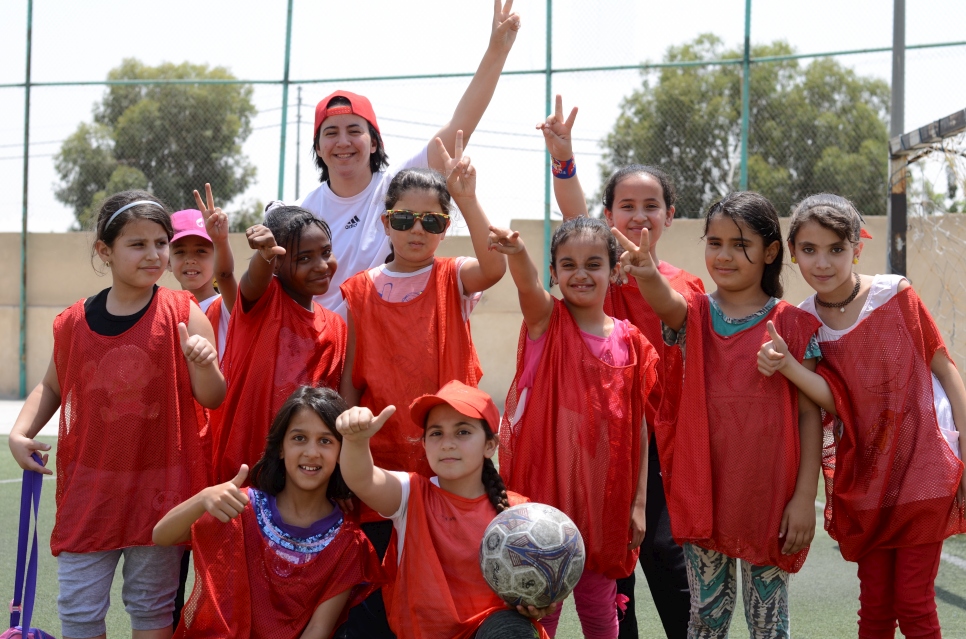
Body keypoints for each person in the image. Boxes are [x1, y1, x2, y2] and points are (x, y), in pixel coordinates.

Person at [7, 190, 225, 639]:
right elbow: (51, 385)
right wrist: (19, 432)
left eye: (161, 242)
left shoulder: (183, 312)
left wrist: (204, 363)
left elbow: (213, 398)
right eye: (137, 243)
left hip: (161, 489)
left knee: (151, 607)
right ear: (104, 251)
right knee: (79, 611)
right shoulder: (72, 322)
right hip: (90, 490)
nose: (155, 254)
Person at [614, 191, 823, 639]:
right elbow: (665, 303)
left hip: (768, 499)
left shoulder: (791, 324)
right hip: (704, 493)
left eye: (739, 244)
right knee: (705, 620)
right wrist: (647, 272)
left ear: (770, 252)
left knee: (768, 624)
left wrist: (805, 496)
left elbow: (811, 416)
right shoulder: (694, 313)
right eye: (714, 242)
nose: (724, 255)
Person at [757, 193, 966, 639]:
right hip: (866, 477)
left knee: (912, 604)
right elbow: (833, 401)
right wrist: (787, 366)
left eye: (836, 248)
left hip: (923, 468)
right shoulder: (803, 319)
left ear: (857, 247)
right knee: (873, 609)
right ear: (793, 252)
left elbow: (947, 371)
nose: (823, 262)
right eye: (809, 250)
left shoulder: (896, 294)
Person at [538, 94, 700, 639]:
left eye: (651, 205)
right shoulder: (602, 273)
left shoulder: (686, 286)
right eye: (626, 206)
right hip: (608, 444)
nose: (639, 214)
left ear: (670, 215)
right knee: (612, 576)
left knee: (666, 555)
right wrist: (563, 156)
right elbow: (573, 215)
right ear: (610, 217)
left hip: (671, 447)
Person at [336, 132, 506, 636]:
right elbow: (349, 383)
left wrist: (469, 196)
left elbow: (495, 265)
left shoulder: (453, 276)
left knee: (449, 592)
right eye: (404, 218)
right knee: (378, 596)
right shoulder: (359, 289)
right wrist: (350, 454)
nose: (417, 229)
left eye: (431, 220)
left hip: (450, 465)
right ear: (385, 222)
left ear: (443, 227)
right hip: (382, 469)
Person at [280, 0, 521, 319]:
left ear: (374, 141)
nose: (343, 142)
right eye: (330, 133)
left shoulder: (400, 187)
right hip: (323, 354)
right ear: (319, 147)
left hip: (387, 345)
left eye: (354, 130)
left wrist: (496, 51)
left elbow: (460, 124)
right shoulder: (301, 213)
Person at [490, 217, 659, 639]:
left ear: (614, 270)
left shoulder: (632, 340)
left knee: (600, 608)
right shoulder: (547, 322)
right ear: (554, 272)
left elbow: (639, 427)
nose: (580, 274)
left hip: (605, 502)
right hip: (543, 495)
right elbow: (527, 286)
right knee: (540, 606)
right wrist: (518, 254)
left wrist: (638, 502)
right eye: (568, 264)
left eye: (593, 263)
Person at [153, 386, 384, 639]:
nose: (311, 452)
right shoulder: (241, 508)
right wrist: (202, 498)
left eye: (325, 441)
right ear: (281, 448)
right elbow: (161, 535)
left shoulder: (348, 542)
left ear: (342, 452)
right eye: (299, 438)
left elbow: (319, 630)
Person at [336, 381, 553, 639]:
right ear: (425, 444)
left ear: (490, 445)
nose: (447, 443)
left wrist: (535, 604)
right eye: (436, 433)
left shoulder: (518, 512)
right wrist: (355, 441)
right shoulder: (411, 495)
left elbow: (534, 590)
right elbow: (363, 479)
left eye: (462, 432)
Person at [209, 206, 346, 484]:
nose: (321, 265)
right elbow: (253, 280)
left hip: (305, 468)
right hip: (246, 464)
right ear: (278, 264)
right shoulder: (264, 299)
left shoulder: (336, 325)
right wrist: (265, 255)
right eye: (304, 258)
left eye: (326, 252)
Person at [167, 184, 237, 359]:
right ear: (168, 261)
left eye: (201, 251)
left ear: (217, 257)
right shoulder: (166, 309)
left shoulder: (226, 306)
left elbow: (225, 275)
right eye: (180, 251)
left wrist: (221, 241)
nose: (190, 259)